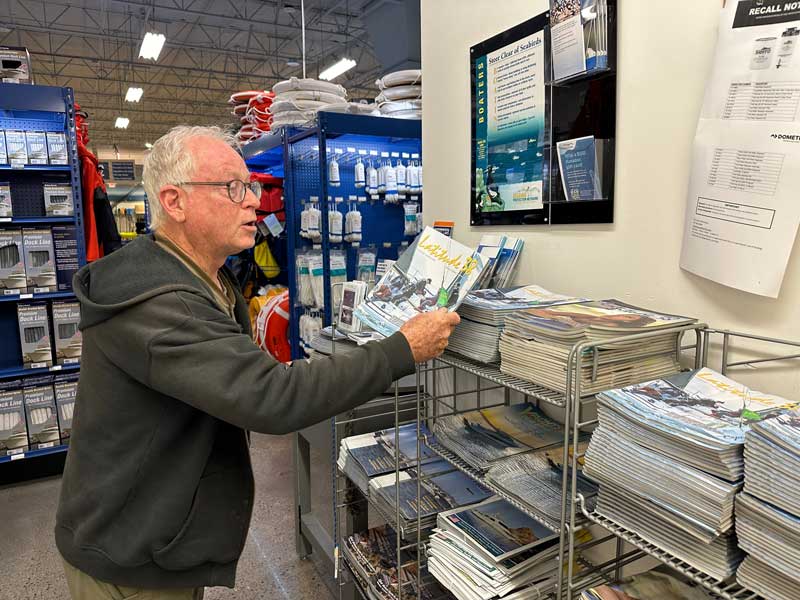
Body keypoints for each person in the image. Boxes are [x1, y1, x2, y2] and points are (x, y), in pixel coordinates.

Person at [55, 126, 460, 599]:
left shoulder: (200, 277)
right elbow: (272, 398)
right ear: (175, 201)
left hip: (152, 537)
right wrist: (401, 349)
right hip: (126, 559)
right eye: (233, 187)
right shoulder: (160, 304)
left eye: (249, 185)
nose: (253, 200)